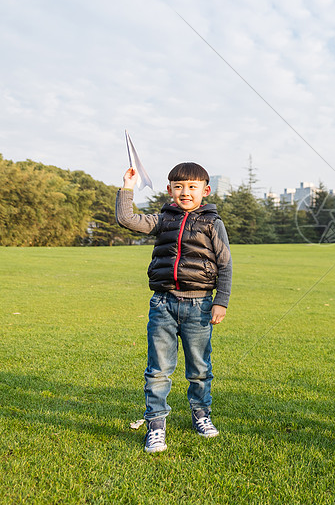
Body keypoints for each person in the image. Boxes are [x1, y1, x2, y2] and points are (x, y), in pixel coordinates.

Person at [116, 162, 232, 453]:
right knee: (158, 370)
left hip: (200, 306)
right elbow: (126, 219)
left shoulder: (212, 223)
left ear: (205, 191)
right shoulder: (162, 220)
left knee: (199, 369)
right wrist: (127, 187)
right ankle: (156, 425)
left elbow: (225, 265)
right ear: (169, 190)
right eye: (179, 187)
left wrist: (221, 301)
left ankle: (201, 414)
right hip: (163, 304)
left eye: (192, 187)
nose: (185, 192)